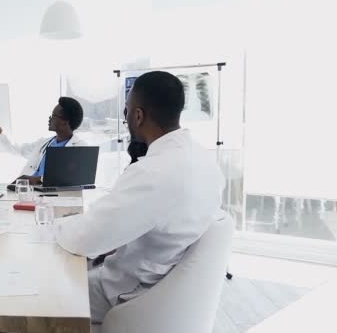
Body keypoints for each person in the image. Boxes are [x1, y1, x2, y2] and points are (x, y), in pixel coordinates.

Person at [55, 71, 225, 323]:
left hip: (129, 292)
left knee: (47, 293)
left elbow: (85, 239)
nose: (126, 119)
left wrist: (56, 225)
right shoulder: (205, 160)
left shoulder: (154, 171)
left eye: (126, 112)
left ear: (137, 115)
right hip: (163, 286)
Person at [0, 96, 85, 185]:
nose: (49, 118)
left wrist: (38, 179)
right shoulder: (43, 143)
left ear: (65, 122)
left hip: (56, 198)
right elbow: (15, 149)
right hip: (29, 193)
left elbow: (71, 178)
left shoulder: (81, 149)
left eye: (53, 116)